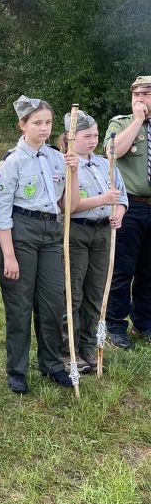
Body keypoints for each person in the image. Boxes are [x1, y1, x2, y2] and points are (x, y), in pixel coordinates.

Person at [0, 95, 79, 394]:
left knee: (53, 302)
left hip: (50, 233)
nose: (44, 129)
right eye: (37, 123)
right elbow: (1, 212)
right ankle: (16, 370)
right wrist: (9, 255)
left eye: (48, 123)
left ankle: (52, 364)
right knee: (19, 306)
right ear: (22, 125)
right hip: (20, 233)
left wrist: (74, 171)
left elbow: (68, 204)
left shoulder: (56, 157)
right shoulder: (11, 162)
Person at [58, 110, 127, 372]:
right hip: (76, 232)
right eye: (87, 136)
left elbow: (120, 197)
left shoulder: (104, 163)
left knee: (96, 291)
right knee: (73, 292)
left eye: (96, 135)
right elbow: (66, 205)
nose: (93, 141)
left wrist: (118, 213)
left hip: (103, 233)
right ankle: (68, 348)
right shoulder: (66, 164)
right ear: (71, 137)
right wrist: (103, 200)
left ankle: (88, 345)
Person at [103, 77, 151, 348]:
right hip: (129, 206)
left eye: (146, 95)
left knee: (149, 270)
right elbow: (111, 152)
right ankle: (115, 325)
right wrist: (137, 122)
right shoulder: (121, 123)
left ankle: (144, 323)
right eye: (136, 95)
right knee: (122, 269)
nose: (140, 100)